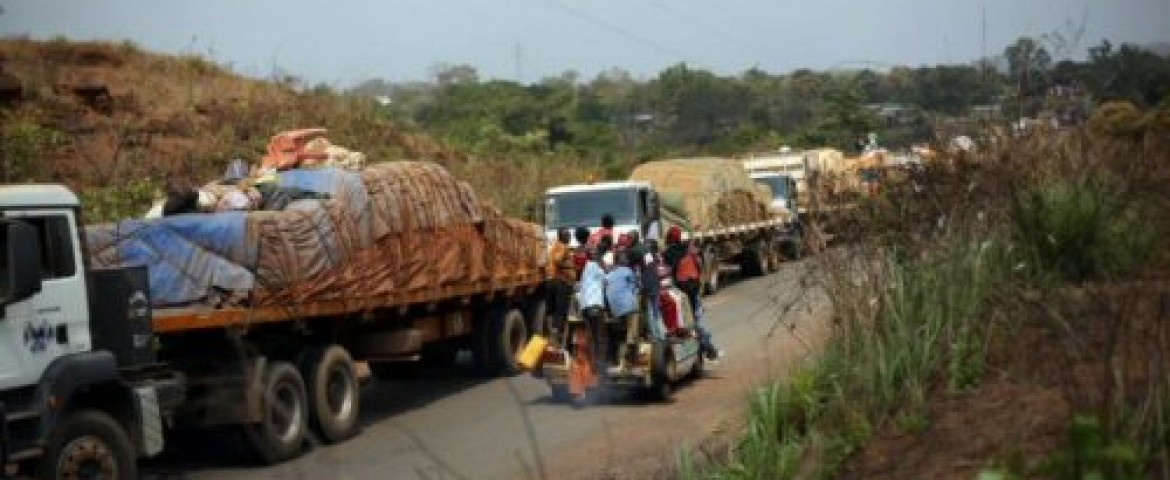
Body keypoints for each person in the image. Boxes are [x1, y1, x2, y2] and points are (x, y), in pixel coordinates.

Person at [663, 226, 722, 361]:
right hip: (694, 289)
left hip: (682, 292)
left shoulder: (668, 253)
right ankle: (707, 349)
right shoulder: (689, 250)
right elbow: (700, 268)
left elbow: (669, 273)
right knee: (694, 321)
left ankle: (707, 349)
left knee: (689, 324)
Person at [604, 249, 640, 367]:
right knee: (632, 331)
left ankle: (618, 357)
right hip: (629, 306)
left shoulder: (609, 275)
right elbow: (636, 287)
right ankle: (630, 355)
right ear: (623, 260)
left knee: (620, 332)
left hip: (615, 309)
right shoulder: (628, 271)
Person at [546, 227, 576, 338]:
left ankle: (553, 332)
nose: (569, 236)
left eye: (569, 234)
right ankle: (557, 334)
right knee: (561, 309)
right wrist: (570, 266)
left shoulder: (556, 245)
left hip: (555, 280)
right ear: (561, 236)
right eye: (567, 234)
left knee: (554, 309)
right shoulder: (562, 246)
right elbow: (557, 260)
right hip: (561, 282)